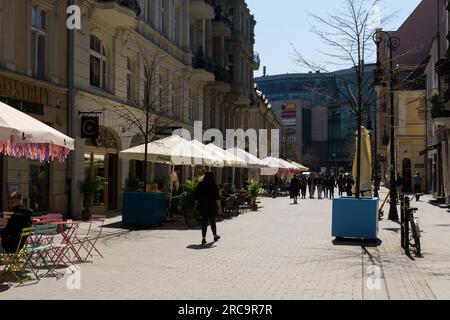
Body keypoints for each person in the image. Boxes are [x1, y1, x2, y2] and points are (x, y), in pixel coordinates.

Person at [194, 171, 222, 246]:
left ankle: (203, 238)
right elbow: (217, 199)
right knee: (212, 221)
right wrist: (219, 208)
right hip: (212, 206)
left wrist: (196, 205)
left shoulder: (200, 185)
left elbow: (196, 196)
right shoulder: (214, 186)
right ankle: (215, 236)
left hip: (203, 206)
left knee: (204, 222)